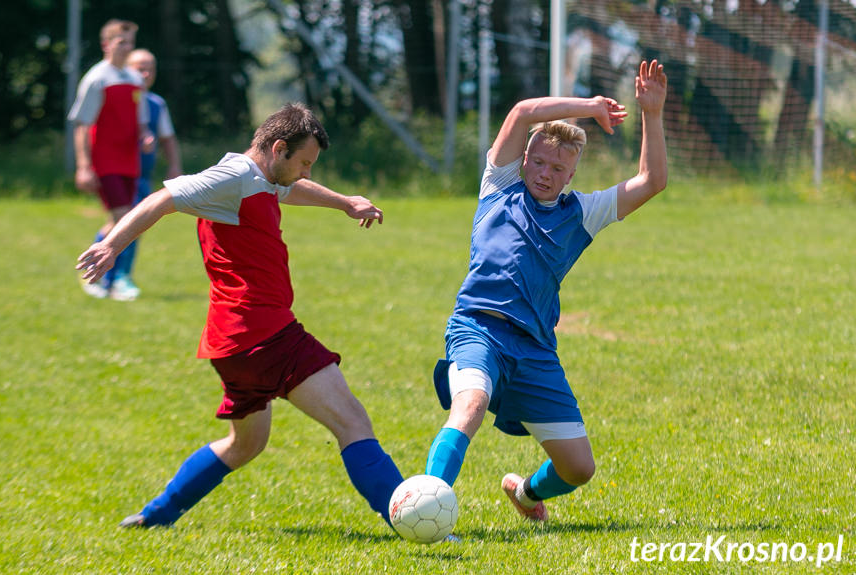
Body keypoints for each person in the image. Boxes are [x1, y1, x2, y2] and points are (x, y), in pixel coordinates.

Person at [76, 103, 404, 529]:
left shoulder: (264, 178)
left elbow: (290, 190)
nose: (306, 173)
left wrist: (344, 203)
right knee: (352, 420)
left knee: (245, 444)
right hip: (264, 334)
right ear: (278, 147)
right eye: (304, 162)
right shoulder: (231, 177)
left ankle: (154, 516)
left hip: (233, 342)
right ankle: (407, 516)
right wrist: (111, 246)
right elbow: (162, 199)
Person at [424, 60, 667, 522]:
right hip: (478, 328)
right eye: (537, 161)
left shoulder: (582, 213)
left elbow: (651, 182)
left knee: (578, 468)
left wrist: (650, 114)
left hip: (535, 348)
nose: (544, 173)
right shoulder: (499, 186)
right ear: (524, 159)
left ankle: (527, 493)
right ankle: (426, 500)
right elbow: (523, 111)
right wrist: (591, 106)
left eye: (558, 168)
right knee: (469, 404)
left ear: (571, 176)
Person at [68, 19, 150, 301]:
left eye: (130, 42)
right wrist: (83, 166)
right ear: (106, 44)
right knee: (123, 218)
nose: (127, 48)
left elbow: (139, 124)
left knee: (120, 219)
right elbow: (82, 124)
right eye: (121, 42)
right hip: (106, 161)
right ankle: (104, 279)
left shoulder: (135, 79)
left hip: (130, 161)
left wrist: (146, 137)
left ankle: (101, 275)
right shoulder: (97, 78)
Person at [108, 48, 184, 300]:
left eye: (151, 67)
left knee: (125, 223)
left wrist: (174, 165)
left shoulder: (155, 104)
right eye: (140, 67)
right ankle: (118, 277)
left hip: (141, 176)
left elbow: (168, 138)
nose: (146, 73)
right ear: (126, 69)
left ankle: (107, 275)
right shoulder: (115, 98)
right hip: (116, 173)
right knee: (129, 222)